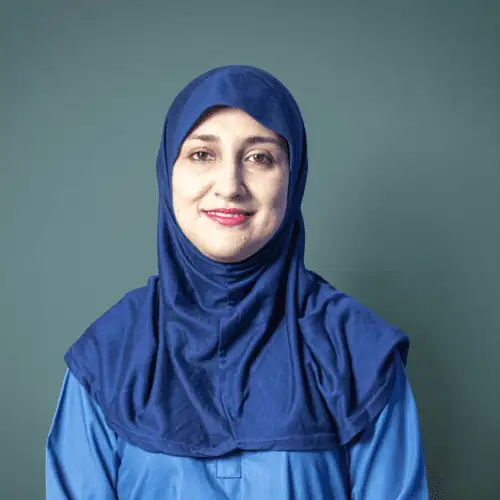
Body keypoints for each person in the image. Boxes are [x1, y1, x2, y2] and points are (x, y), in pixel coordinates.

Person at [46, 65, 429, 499]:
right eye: (202, 155)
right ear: (168, 172)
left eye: (260, 158)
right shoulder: (109, 354)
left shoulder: (359, 351)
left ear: (293, 177)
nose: (230, 186)